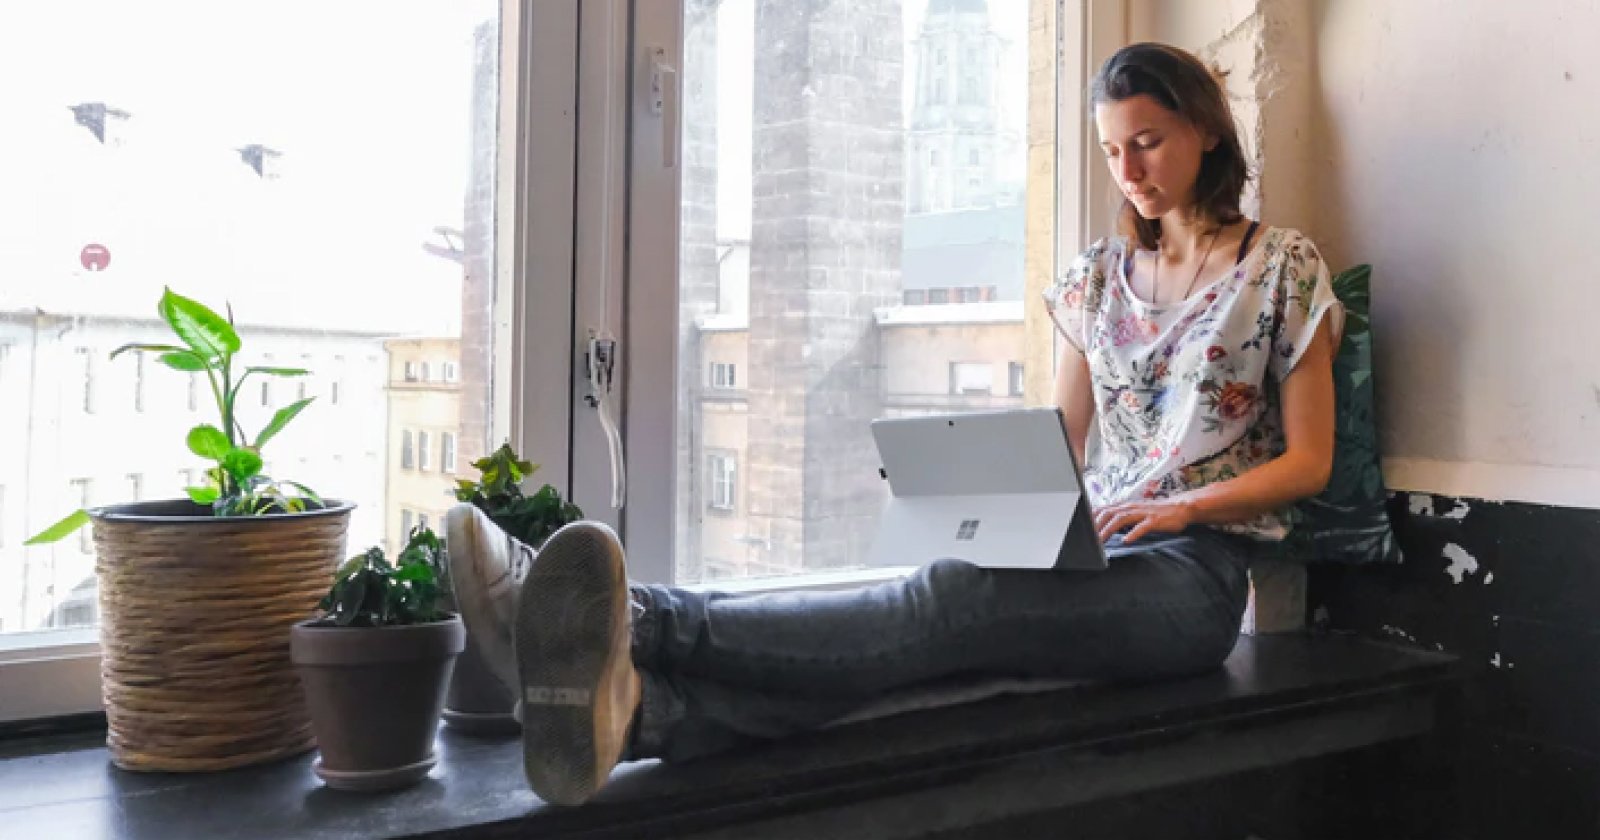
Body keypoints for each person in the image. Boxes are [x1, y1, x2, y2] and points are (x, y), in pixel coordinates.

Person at [445, 41, 1343, 807]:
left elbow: (1310, 463)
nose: (1130, 172)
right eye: (1112, 152)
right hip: (1104, 548)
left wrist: (1184, 510)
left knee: (956, 603)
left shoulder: (1283, 267)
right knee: (939, 628)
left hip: (1197, 579)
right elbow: (1066, 441)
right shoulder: (1096, 278)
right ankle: (644, 715)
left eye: (1147, 142)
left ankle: (620, 619)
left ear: (1209, 131)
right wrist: (975, 488)